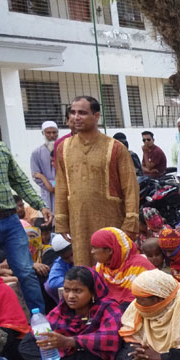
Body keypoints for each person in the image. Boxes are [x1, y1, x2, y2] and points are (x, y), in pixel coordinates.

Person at [0, 100, 53, 313]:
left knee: (26, 272)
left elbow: (19, 180)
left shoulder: (1, 149)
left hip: (10, 222)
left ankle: (39, 323)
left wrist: (40, 205)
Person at [55, 96, 139, 267]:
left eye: (82, 113)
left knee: (112, 267)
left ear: (96, 116)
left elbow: (130, 187)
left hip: (110, 219)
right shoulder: (63, 148)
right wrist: (62, 220)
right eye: (73, 112)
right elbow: (62, 185)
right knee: (84, 267)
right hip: (78, 221)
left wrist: (130, 222)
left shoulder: (115, 147)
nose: (76, 117)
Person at [37, 266, 125, 360]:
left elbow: (111, 337)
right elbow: (31, 340)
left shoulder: (108, 307)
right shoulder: (60, 311)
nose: (70, 296)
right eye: (66, 290)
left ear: (92, 292)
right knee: (43, 355)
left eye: (78, 291)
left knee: (86, 355)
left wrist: (71, 341)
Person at [89, 227, 155, 306]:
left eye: (94, 248)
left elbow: (142, 301)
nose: (92, 252)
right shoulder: (101, 266)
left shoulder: (140, 266)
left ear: (109, 250)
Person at [30, 120, 58, 210]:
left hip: (63, 189)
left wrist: (54, 184)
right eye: (48, 132)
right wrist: (51, 184)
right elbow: (35, 175)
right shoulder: (36, 153)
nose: (51, 135)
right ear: (43, 133)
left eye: (54, 132)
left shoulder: (64, 149)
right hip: (47, 192)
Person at [45, 234, 74, 300]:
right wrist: (77, 281)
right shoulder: (59, 262)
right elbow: (53, 282)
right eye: (66, 258)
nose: (71, 259)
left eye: (72, 254)